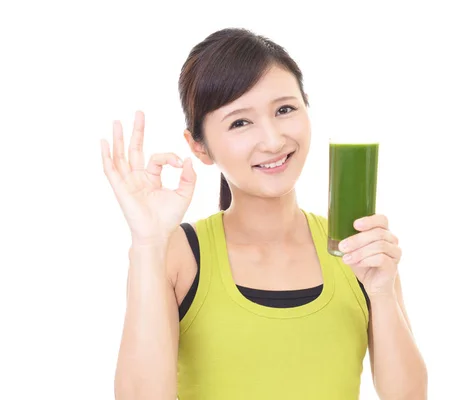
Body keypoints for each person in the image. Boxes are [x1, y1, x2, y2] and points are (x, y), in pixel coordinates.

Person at [100, 27, 427, 400]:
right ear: (199, 147)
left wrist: (382, 291)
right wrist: (147, 243)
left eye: (285, 109)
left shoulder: (355, 249)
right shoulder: (177, 254)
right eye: (240, 122)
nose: (273, 140)